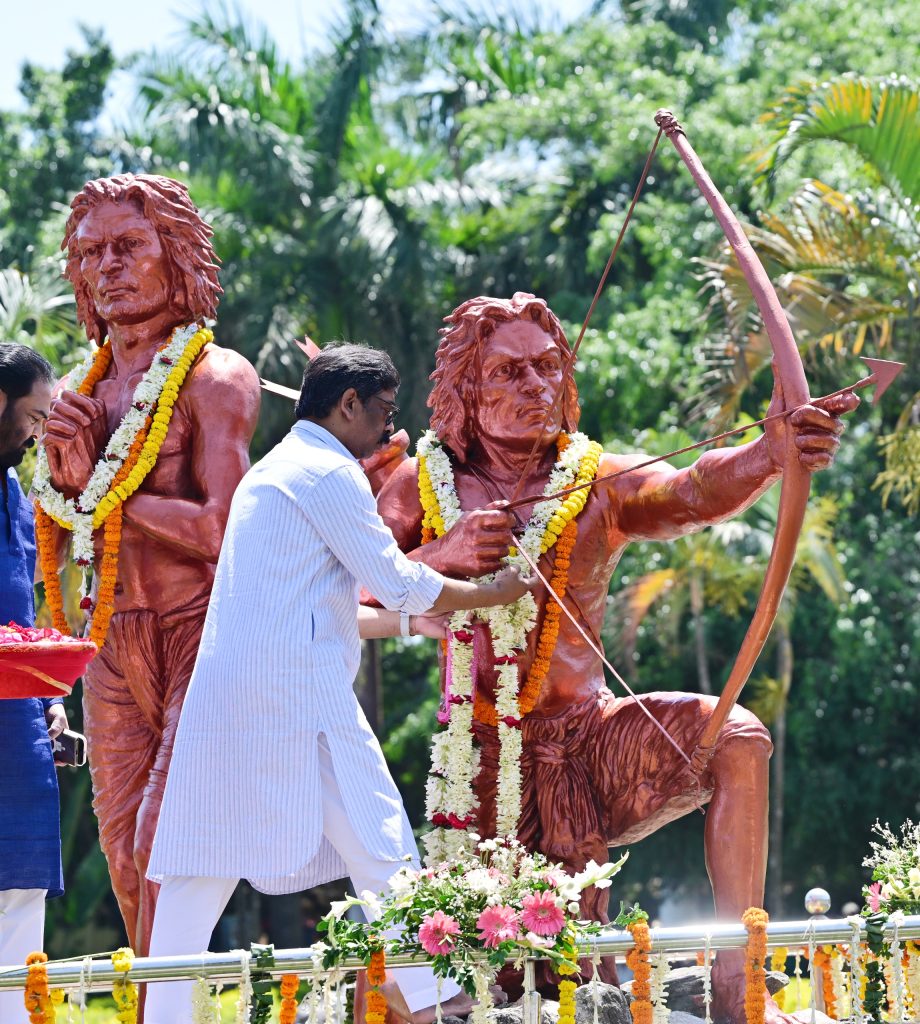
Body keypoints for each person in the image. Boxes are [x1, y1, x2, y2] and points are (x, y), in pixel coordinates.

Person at [372, 292, 859, 1023]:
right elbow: (350, 589)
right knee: (501, 976)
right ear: (467, 388)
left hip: (591, 745)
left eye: (548, 367)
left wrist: (769, 453)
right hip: (480, 767)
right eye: (508, 371)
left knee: (738, 736)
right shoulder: (420, 485)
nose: (536, 386)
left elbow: (690, 490)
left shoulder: (593, 479)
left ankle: (740, 993)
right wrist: (441, 554)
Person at [146, 343, 534, 1024]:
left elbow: (328, 605)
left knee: (200, 865)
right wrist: (490, 594)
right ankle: (432, 996)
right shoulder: (327, 472)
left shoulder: (277, 469)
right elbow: (396, 581)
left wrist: (415, 624)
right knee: (381, 837)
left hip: (237, 697)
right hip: (298, 696)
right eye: (384, 411)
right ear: (348, 404)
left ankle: (163, 1014)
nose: (390, 429)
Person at [37, 174, 261, 956]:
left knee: (163, 844)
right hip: (109, 640)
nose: (109, 266)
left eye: (129, 246)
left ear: (177, 254)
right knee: (125, 861)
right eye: (92, 252)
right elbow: (59, 528)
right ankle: (160, 1004)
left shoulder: (215, 376)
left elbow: (222, 528)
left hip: (195, 630)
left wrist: (101, 487)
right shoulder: (77, 391)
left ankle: (165, 1002)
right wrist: (70, 480)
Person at [0, 343, 66, 1018]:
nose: (38, 435)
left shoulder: (15, 493)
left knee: (20, 900)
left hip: (17, 734)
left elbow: (22, 618)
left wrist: (49, 696)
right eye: (35, 417)